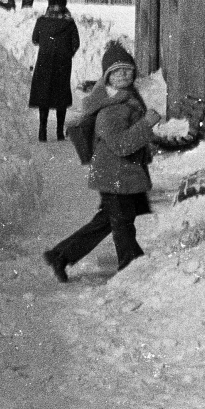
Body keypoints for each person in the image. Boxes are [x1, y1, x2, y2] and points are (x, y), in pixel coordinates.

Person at [43, 40, 161, 282]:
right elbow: (120, 144)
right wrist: (147, 124)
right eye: (117, 71)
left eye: (127, 70)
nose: (123, 75)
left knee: (110, 220)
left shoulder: (126, 97)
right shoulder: (110, 109)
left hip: (121, 174)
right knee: (122, 222)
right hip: (114, 174)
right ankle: (130, 264)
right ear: (107, 76)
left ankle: (60, 255)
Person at [28, 0, 80, 142]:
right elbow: (75, 43)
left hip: (44, 62)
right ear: (64, 6)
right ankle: (59, 132)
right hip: (62, 64)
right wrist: (66, 53)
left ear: (49, 5)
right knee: (60, 97)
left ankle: (42, 131)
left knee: (44, 95)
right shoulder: (69, 24)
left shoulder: (41, 21)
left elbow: (35, 39)